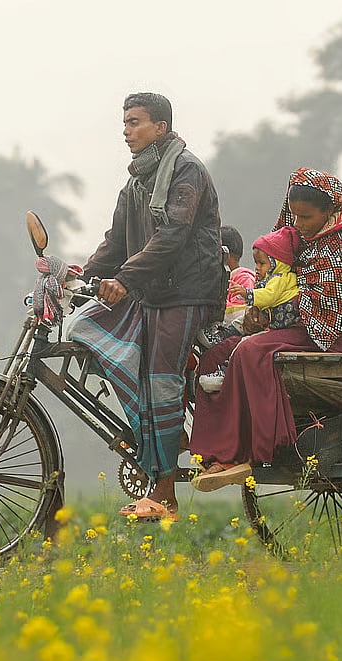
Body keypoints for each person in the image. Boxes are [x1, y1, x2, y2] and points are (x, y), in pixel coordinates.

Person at [67, 92, 225, 521]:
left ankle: (166, 495)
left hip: (188, 291)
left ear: (161, 127)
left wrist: (124, 279)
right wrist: (80, 275)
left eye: (134, 122)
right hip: (152, 293)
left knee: (160, 382)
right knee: (88, 332)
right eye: (124, 123)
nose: (126, 131)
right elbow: (115, 242)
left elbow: (173, 236)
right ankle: (167, 441)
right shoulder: (136, 181)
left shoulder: (185, 171)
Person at [190, 167, 342, 492]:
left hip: (326, 332)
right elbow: (272, 283)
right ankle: (213, 455)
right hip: (291, 324)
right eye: (294, 215)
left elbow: (327, 308)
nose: (298, 223)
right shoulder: (294, 237)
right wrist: (256, 312)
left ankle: (247, 450)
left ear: (329, 211)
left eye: (306, 217)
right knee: (216, 354)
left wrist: (267, 317)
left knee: (249, 351)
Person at [198, 225, 302, 392]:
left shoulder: (278, 279)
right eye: (256, 263)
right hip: (267, 320)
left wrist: (248, 294)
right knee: (240, 328)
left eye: (262, 263)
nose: (257, 268)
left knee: (245, 345)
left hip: (274, 324)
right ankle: (220, 337)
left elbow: (268, 296)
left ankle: (225, 372)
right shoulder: (269, 278)